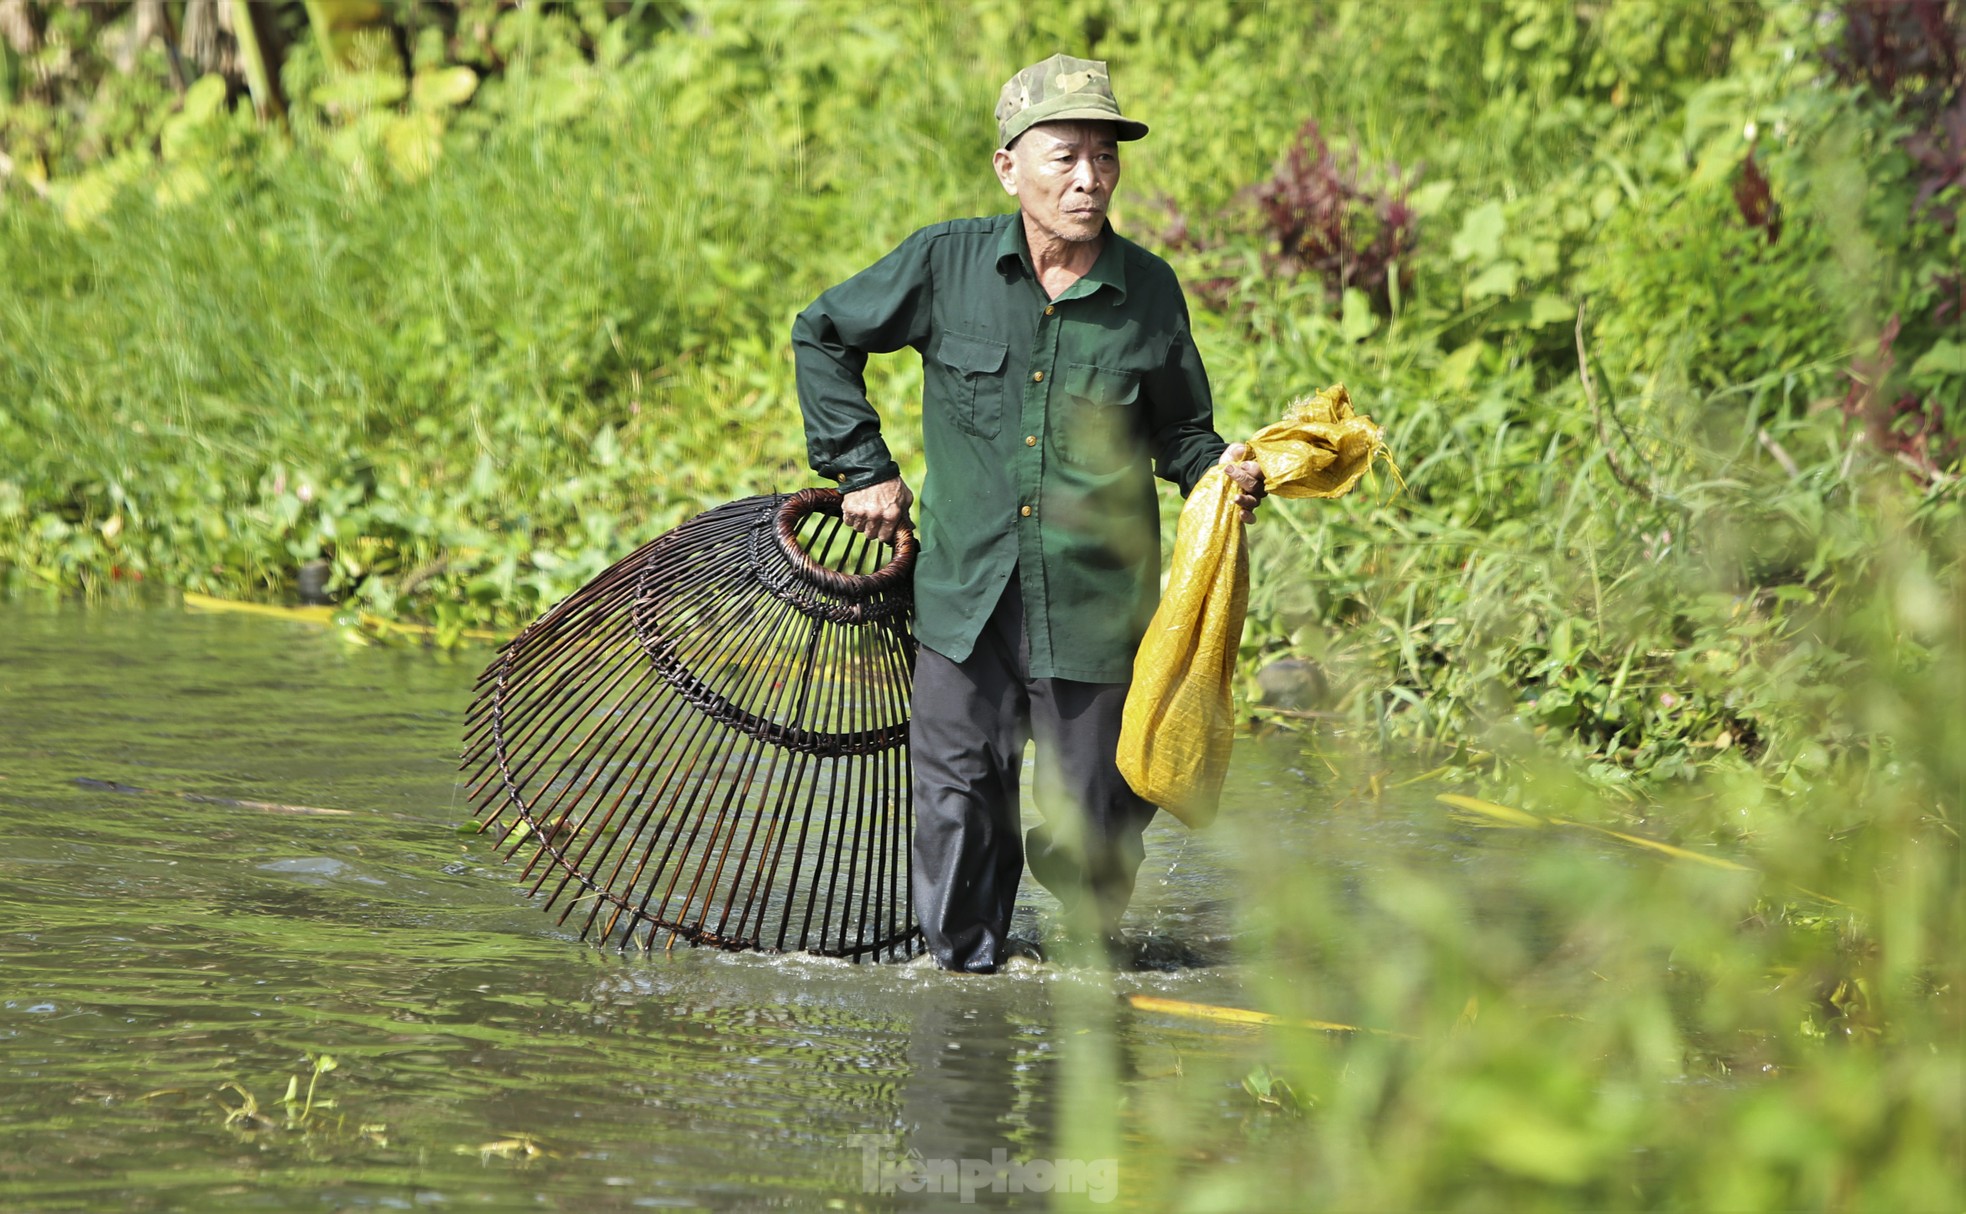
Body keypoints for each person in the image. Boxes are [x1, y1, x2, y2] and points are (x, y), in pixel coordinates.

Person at [792, 53, 1263, 973]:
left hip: (1095, 607)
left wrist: (1226, 472)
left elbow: (1184, 434)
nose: (1090, 178)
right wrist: (861, 468)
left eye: (1105, 156)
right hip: (965, 601)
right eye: (1064, 157)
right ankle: (963, 986)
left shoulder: (1148, 292)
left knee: (1097, 821)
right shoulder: (946, 264)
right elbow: (824, 333)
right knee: (958, 805)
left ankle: (1076, 970)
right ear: (1009, 166)